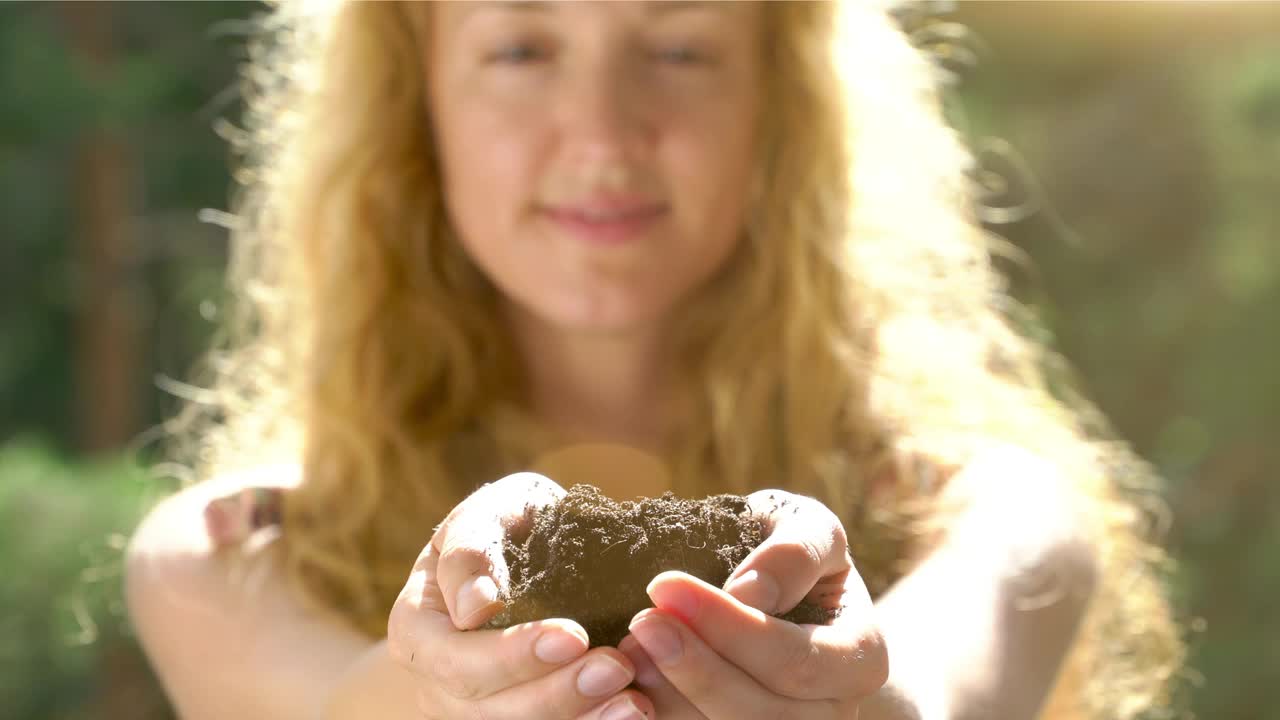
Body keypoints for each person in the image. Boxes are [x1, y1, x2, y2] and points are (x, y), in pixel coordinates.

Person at [124, 1, 1184, 719]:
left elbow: (942, 688)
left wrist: (854, 696)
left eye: (679, 47)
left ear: (779, 100)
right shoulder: (232, 560)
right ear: (417, 104)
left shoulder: (985, 516)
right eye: (520, 49)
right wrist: (446, 677)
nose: (601, 134)